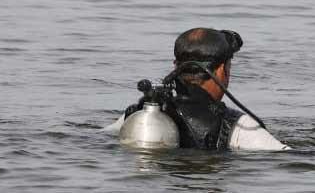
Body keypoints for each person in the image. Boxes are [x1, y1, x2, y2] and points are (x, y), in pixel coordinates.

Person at [107, 28, 288, 151]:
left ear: (175, 66)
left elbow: (98, 137)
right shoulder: (239, 126)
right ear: (220, 70)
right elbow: (286, 158)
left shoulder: (143, 112)